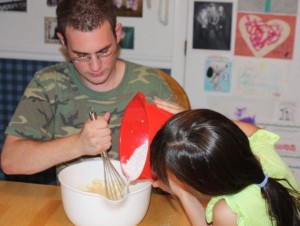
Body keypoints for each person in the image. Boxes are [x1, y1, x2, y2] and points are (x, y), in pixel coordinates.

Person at [1, 0, 179, 177]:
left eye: (103, 52)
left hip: (142, 200)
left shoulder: (151, 84)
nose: (95, 66)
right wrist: (78, 144)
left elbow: (186, 169)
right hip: (75, 200)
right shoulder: (48, 84)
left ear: (117, 34)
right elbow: (11, 162)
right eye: (81, 56)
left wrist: (192, 131)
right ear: (63, 42)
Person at [150, 109, 300, 226]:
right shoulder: (261, 147)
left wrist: (181, 192)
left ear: (205, 187)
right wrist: (192, 125)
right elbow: (230, 128)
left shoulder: (227, 211)